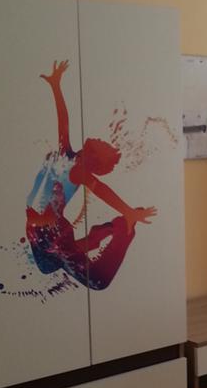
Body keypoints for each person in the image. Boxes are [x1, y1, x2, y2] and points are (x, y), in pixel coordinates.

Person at [26, 59, 156, 290]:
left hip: (50, 233)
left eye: (102, 146)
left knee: (98, 280)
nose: (99, 139)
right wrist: (56, 86)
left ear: (95, 158)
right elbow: (63, 122)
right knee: (47, 266)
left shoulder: (79, 171)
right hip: (40, 230)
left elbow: (102, 190)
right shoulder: (66, 153)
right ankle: (95, 237)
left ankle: (122, 231)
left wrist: (128, 212)